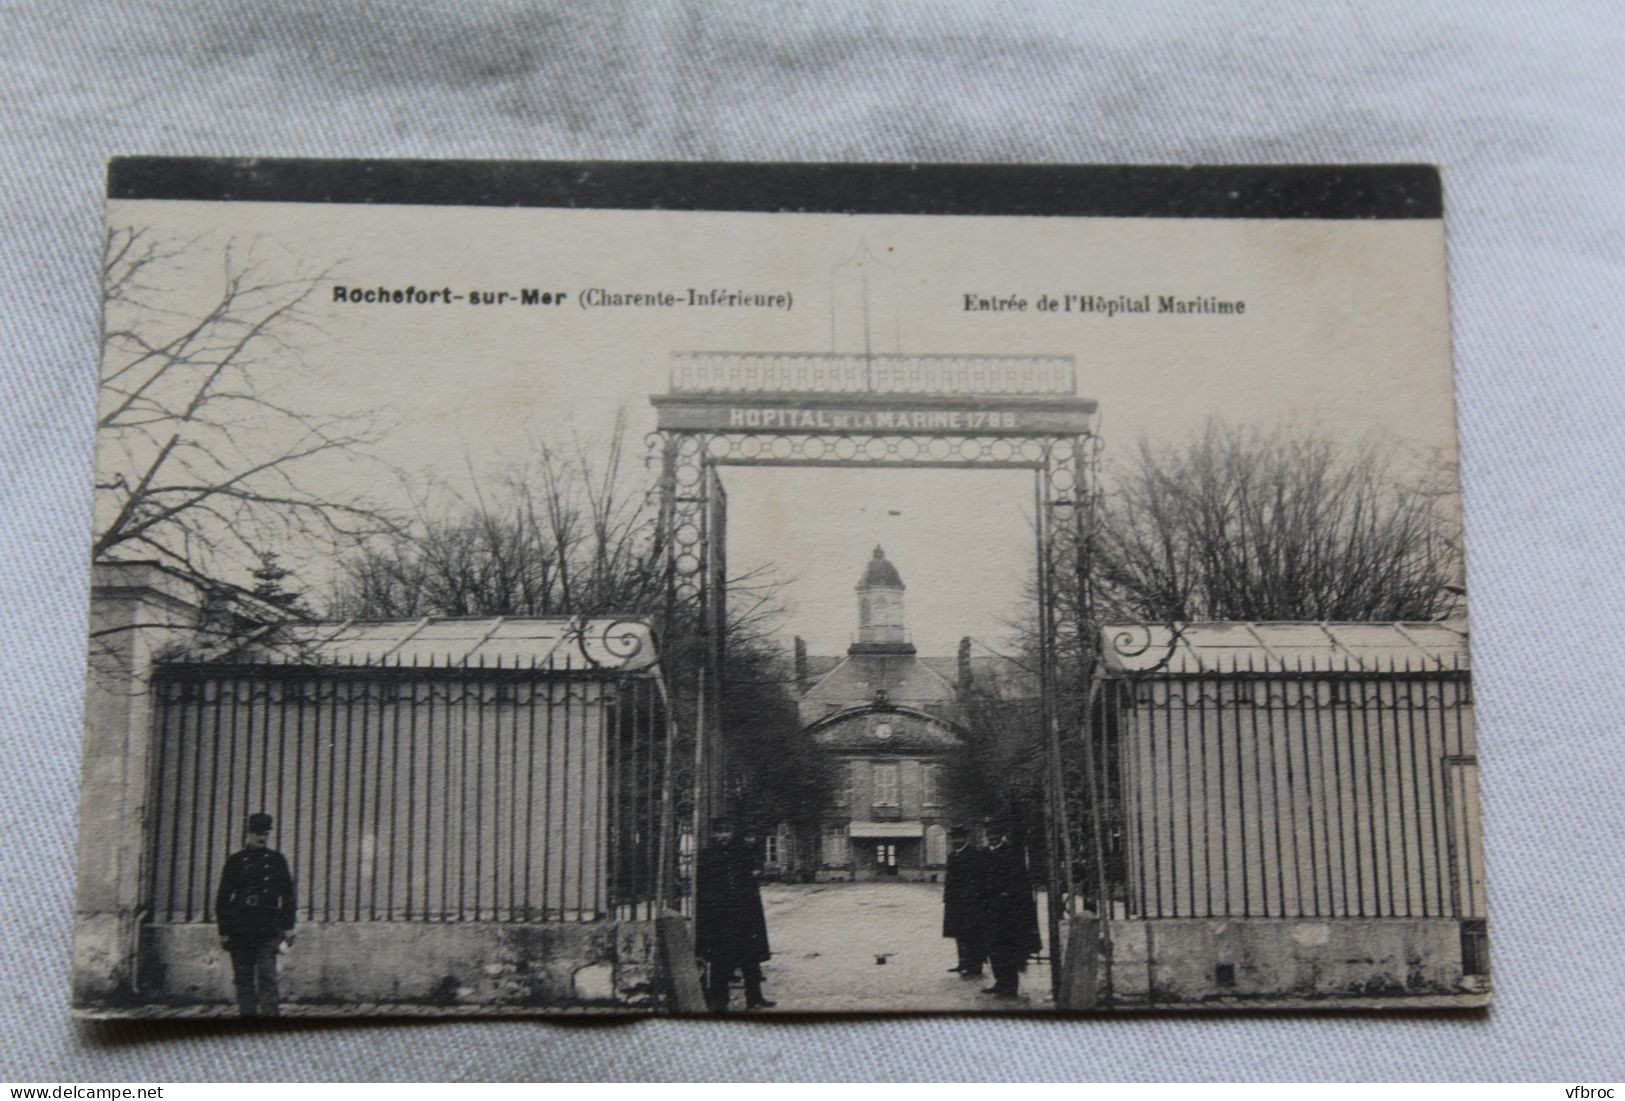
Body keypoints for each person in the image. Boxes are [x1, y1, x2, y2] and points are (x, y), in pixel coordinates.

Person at [215, 812, 296, 1017]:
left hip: (268, 928)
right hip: (240, 928)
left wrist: (288, 927)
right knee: (243, 980)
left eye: (265, 833)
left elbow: (288, 895)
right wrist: (224, 930)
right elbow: (223, 897)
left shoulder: (277, 861)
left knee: (268, 978)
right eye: (257, 833)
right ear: (248, 834)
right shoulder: (235, 861)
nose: (261, 838)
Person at [694, 816, 774, 1012]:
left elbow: (751, 883)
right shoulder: (707, 856)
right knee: (720, 960)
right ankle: (720, 1001)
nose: (723, 836)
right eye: (719, 831)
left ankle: (754, 998)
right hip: (719, 916)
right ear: (713, 834)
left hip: (743, 914)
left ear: (732, 832)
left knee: (750, 958)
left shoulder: (741, 854)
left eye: (727, 831)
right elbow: (703, 890)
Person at [980, 822, 1041, 999]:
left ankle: (1010, 986)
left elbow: (1020, 882)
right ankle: (1000, 982)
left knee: (1007, 949)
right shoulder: (985, 854)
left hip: (1007, 913)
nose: (992, 837)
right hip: (990, 910)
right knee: (993, 949)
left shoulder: (1012, 854)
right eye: (989, 834)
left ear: (1002, 834)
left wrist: (1007, 894)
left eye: (995, 833)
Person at [941, 823, 987, 977]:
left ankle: (975, 965)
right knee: (958, 933)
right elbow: (950, 880)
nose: (956, 841)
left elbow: (977, 879)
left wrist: (970, 897)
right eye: (954, 838)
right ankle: (963, 962)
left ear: (965, 838)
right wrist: (947, 898)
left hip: (970, 902)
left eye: (959, 838)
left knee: (972, 934)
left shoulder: (973, 855)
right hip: (955, 902)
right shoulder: (952, 856)